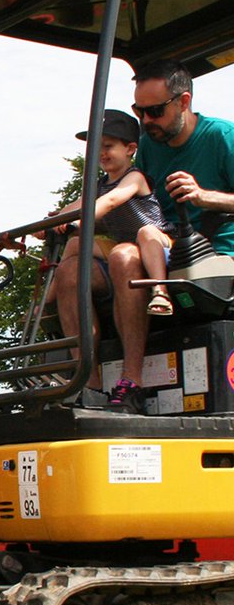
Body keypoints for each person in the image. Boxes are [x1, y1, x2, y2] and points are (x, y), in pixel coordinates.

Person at [96, 60, 234, 412]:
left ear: (184, 101)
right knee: (90, 263)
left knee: (129, 253)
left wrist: (205, 197)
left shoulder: (222, 137)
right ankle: (102, 383)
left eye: (155, 111)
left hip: (216, 252)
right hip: (164, 244)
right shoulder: (150, 146)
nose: (146, 121)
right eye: (139, 111)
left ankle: (130, 377)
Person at [50, 109, 173, 411]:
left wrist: (80, 220)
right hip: (121, 247)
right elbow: (76, 205)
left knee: (122, 253)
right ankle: (87, 382)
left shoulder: (134, 177)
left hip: (152, 246)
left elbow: (112, 201)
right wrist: (46, 225)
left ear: (130, 149)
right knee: (72, 265)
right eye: (97, 148)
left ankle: (132, 378)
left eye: (108, 146)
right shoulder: (98, 184)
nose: (101, 153)